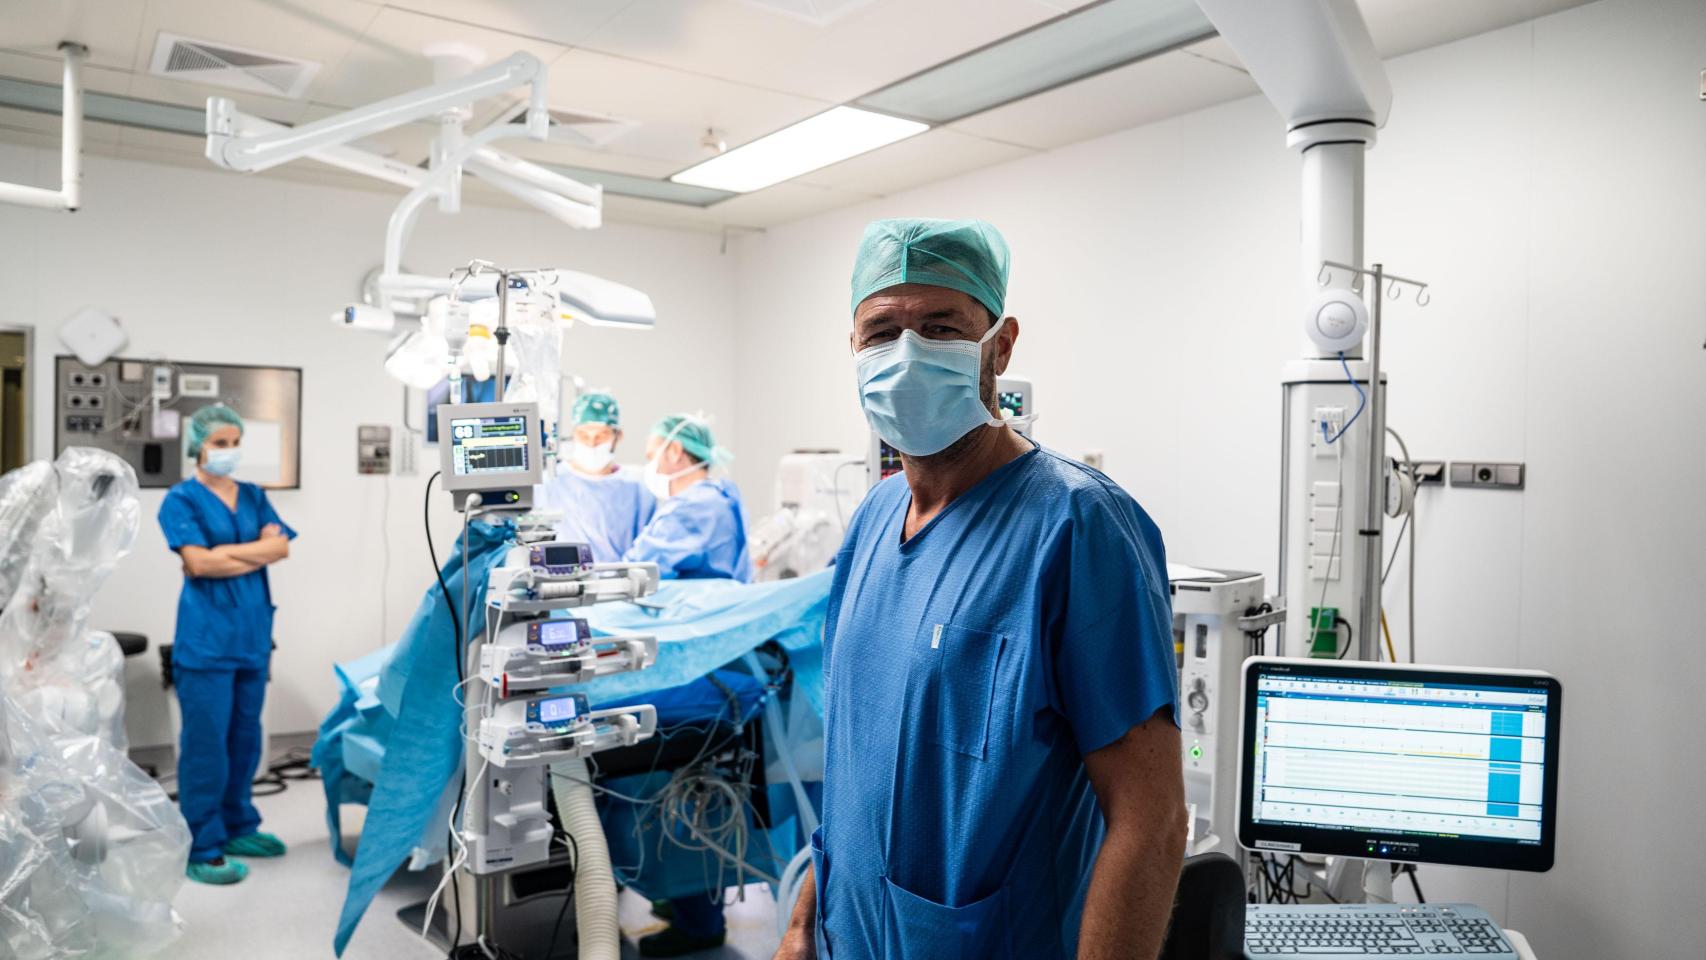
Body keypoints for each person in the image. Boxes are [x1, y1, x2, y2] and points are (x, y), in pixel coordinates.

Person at [775, 219, 1185, 960]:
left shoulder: (1079, 527)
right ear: (853, 347)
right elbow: (855, 767)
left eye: (940, 327)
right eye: (882, 332)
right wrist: (805, 922)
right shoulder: (873, 517)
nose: (906, 353)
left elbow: (1150, 823)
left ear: (999, 345)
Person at [621, 413, 750, 957]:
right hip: (702, 655)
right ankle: (682, 900)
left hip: (698, 666)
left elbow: (638, 568)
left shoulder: (696, 506)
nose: (649, 459)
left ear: (676, 454)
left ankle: (697, 919)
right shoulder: (716, 495)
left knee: (667, 784)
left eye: (654, 449)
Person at [158, 404, 297, 886]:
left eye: (234, 442)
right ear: (197, 446)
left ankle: (239, 825)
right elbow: (197, 565)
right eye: (220, 443)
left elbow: (281, 547)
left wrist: (223, 554)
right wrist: (248, 554)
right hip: (205, 642)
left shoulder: (255, 495)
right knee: (206, 746)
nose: (229, 451)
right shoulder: (180, 500)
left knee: (243, 740)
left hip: (252, 636)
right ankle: (202, 843)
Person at [623, 414, 750, 583]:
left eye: (652, 457)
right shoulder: (721, 497)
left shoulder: (690, 510)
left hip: (687, 608)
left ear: (675, 451)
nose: (650, 467)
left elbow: (637, 573)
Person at [536, 391, 655, 560]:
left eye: (601, 435)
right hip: (559, 584)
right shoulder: (548, 483)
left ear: (617, 436)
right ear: (573, 434)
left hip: (622, 582)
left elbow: (647, 549)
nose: (592, 443)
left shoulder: (638, 487)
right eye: (584, 435)